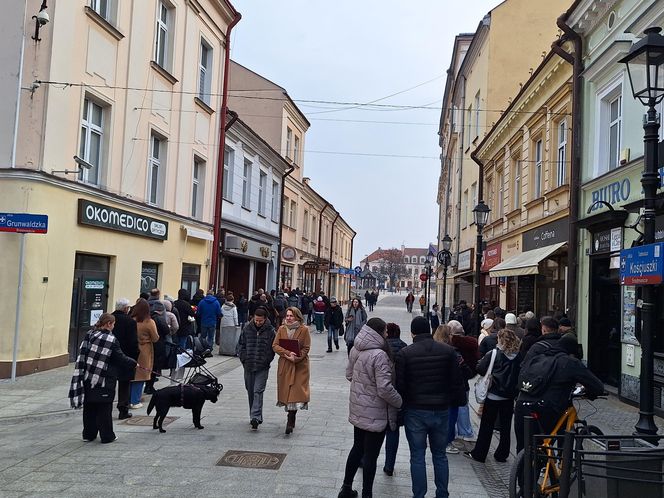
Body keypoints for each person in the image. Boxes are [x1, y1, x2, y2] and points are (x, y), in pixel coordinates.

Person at [395, 317, 464, 498]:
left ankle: (419, 494)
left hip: (416, 410)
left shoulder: (405, 353)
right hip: (441, 409)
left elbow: (400, 386)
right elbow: (456, 381)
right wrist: (455, 401)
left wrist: (400, 409)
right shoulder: (448, 352)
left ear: (412, 333)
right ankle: (442, 493)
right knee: (440, 455)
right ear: (430, 330)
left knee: (417, 456)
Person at [513, 316, 604, 453]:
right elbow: (597, 386)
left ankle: (525, 471)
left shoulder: (538, 356)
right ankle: (561, 464)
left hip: (522, 404)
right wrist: (592, 392)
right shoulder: (571, 362)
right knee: (553, 436)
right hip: (547, 407)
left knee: (525, 447)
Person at [338, 318, 402, 498]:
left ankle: (346, 488)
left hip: (359, 409)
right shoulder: (379, 355)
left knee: (357, 447)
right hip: (376, 412)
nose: (387, 335)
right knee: (371, 455)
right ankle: (367, 494)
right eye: (385, 332)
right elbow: (384, 388)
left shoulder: (356, 349)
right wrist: (399, 401)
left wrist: (363, 387)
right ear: (380, 332)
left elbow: (349, 374)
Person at [69, 313, 137, 443]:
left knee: (89, 407)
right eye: (113, 324)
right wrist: (134, 363)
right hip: (105, 377)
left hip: (88, 376)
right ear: (108, 324)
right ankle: (107, 436)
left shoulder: (90, 334)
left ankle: (88, 434)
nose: (113, 326)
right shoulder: (110, 340)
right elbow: (119, 357)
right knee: (104, 408)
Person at [465, 328, 522, 463]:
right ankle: (502, 454)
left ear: (500, 340)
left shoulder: (494, 353)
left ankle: (480, 453)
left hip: (493, 394)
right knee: (506, 426)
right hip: (509, 396)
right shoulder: (518, 355)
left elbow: (480, 368)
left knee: (487, 425)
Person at [272, 307, 311, 434]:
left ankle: (291, 417)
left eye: (291, 316)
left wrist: (296, 358)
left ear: (297, 317)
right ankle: (290, 415)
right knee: (287, 391)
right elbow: (275, 345)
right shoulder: (281, 329)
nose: (288, 318)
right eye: (287, 316)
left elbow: (306, 347)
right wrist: (287, 353)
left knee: (295, 391)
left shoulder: (304, 330)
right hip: (285, 363)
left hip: (299, 366)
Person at [236, 308, 276, 430]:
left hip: (262, 366)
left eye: (260, 320)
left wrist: (266, 360)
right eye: (256, 320)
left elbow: (272, 348)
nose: (258, 322)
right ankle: (254, 415)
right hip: (248, 365)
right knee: (250, 390)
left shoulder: (270, 331)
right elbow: (241, 345)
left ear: (265, 319)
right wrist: (243, 358)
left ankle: (255, 417)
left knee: (258, 390)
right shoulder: (247, 328)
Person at [447, 320, 480, 446]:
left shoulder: (450, 344)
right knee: (463, 405)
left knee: (455, 408)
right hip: (464, 379)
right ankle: (465, 432)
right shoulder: (471, 343)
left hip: (453, 380)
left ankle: (456, 432)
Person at [383, 323, 408, 477]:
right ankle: (389, 465)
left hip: (382, 395)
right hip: (399, 395)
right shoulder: (405, 349)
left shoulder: (381, 349)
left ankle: (365, 459)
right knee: (393, 429)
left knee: (373, 429)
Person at [111, 298, 139, 420]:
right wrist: (134, 358)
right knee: (124, 385)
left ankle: (107, 405)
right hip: (126, 356)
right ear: (126, 308)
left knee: (110, 382)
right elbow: (133, 342)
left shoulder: (109, 318)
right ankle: (123, 409)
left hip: (110, 356)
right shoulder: (130, 322)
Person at [129, 299, 158, 408]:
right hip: (144, 350)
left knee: (132, 374)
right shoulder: (149, 322)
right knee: (141, 374)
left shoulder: (132, 320)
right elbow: (155, 338)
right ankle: (135, 400)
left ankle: (129, 398)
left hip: (131, 348)